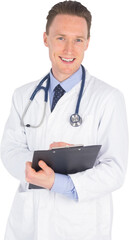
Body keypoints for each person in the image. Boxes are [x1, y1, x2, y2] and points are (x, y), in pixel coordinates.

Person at [1, 1, 128, 240]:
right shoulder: (23, 95)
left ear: (88, 43)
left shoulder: (108, 98)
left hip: (81, 226)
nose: (69, 49)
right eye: (60, 38)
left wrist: (58, 181)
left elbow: (115, 170)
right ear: (45, 39)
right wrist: (39, 171)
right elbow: (10, 150)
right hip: (28, 225)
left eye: (78, 39)